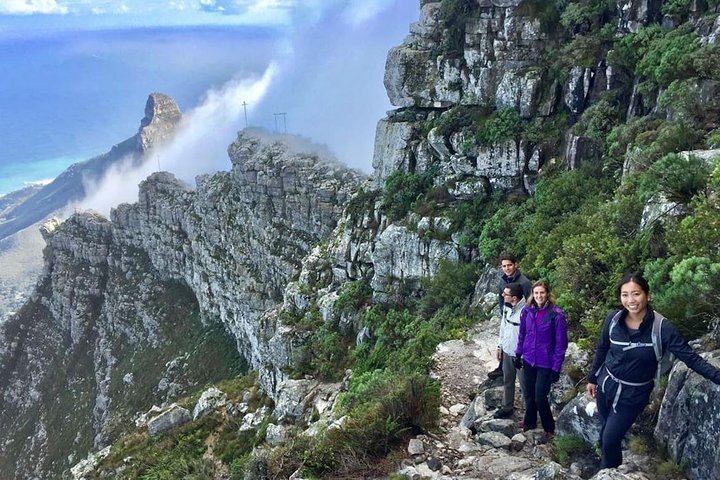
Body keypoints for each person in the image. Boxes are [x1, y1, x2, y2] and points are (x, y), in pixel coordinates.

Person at [586, 273, 720, 469]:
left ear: (647, 296)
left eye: (636, 294)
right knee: (606, 430)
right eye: (625, 295)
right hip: (606, 385)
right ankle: (608, 466)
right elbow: (602, 348)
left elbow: (690, 358)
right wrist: (592, 378)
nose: (630, 300)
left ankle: (608, 472)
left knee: (609, 439)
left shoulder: (662, 328)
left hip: (633, 394)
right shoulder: (612, 320)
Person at [515, 280, 568, 440]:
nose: (539, 296)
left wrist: (556, 368)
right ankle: (529, 422)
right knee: (529, 393)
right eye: (536, 293)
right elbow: (522, 334)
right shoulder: (527, 311)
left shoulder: (556, 315)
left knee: (540, 396)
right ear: (532, 294)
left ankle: (549, 427)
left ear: (547, 294)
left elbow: (561, 344)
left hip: (546, 362)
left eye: (542, 293)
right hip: (529, 359)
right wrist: (518, 354)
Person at [488, 254, 532, 380]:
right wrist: (503, 311)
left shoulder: (524, 282)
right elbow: (500, 297)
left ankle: (522, 370)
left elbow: (530, 302)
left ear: (515, 265)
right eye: (504, 266)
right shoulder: (503, 280)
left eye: (509, 265)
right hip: (507, 314)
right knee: (506, 341)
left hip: (520, 318)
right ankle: (502, 367)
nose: (507, 268)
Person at [493, 282, 526, 418]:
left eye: (505, 294)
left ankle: (529, 414)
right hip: (507, 350)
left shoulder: (526, 312)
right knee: (508, 380)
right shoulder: (507, 307)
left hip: (521, 355)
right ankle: (507, 408)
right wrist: (499, 346)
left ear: (514, 298)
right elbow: (503, 326)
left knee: (525, 385)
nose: (502, 295)